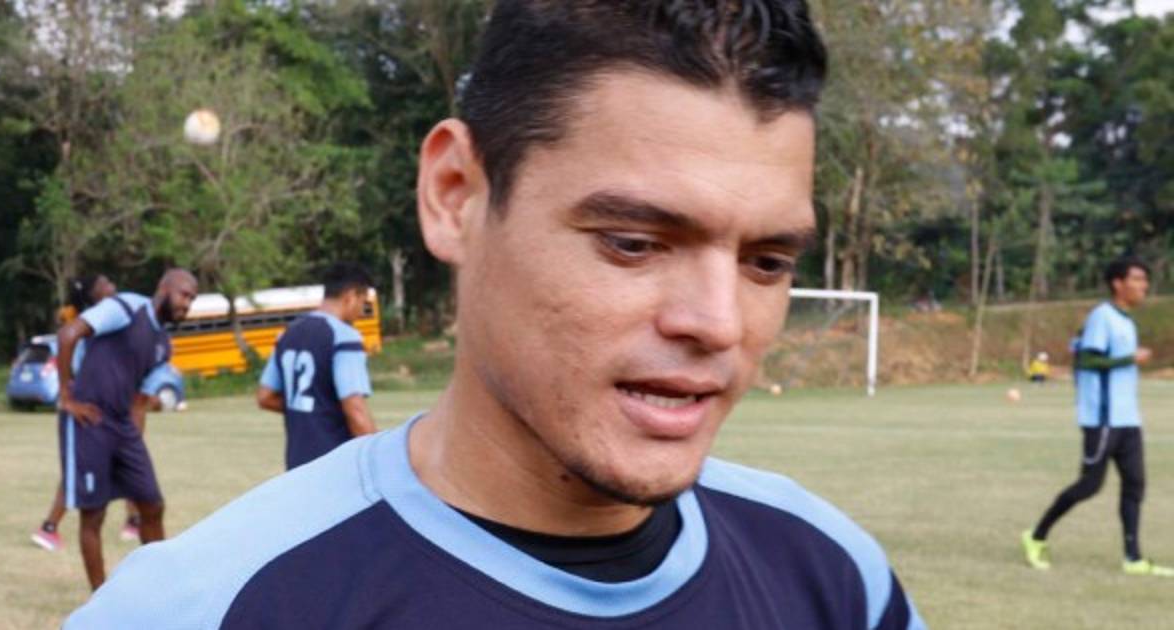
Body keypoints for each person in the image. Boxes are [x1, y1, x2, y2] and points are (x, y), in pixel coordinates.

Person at [67, 2, 924, 627]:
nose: (720, 323)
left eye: (767, 262)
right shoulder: (208, 608)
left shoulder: (836, 581)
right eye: (633, 242)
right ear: (456, 196)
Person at [1021, 256, 1171, 577]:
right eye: (1137, 279)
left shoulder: (1127, 321)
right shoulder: (1102, 317)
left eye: (1145, 280)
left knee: (1135, 484)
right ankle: (1036, 536)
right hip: (1103, 419)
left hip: (1128, 419)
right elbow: (1087, 360)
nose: (1143, 286)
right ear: (1118, 283)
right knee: (1090, 485)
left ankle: (1133, 558)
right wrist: (1129, 359)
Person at [56, 268, 198, 590]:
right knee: (93, 515)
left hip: (122, 427)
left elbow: (140, 402)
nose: (187, 304)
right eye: (184, 294)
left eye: (192, 299)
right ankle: (101, 600)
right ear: (163, 287)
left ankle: (159, 588)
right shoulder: (126, 307)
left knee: (152, 504)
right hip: (89, 420)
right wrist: (67, 397)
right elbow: (68, 334)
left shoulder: (163, 344)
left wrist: (135, 445)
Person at [30, 275, 146, 551]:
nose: (112, 286)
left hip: (115, 409)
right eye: (104, 284)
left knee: (127, 466)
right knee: (80, 472)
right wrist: (67, 396)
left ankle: (134, 520)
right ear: (94, 297)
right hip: (93, 411)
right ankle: (49, 527)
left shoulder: (110, 324)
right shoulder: (89, 330)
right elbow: (68, 348)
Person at [256, 262, 378, 470]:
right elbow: (356, 410)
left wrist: (312, 411)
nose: (360, 312)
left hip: (296, 464)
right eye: (362, 303)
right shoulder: (344, 336)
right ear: (350, 296)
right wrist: (377, 457)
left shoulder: (288, 333)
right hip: (334, 463)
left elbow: (265, 397)